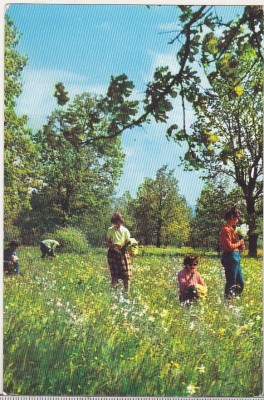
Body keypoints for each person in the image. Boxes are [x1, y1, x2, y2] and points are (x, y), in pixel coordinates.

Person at [220, 205, 245, 299]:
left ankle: (233, 300)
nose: (237, 220)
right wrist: (239, 243)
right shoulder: (225, 230)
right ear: (232, 217)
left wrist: (241, 243)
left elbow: (236, 245)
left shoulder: (232, 229)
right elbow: (229, 247)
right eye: (237, 217)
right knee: (231, 282)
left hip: (235, 257)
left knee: (240, 283)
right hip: (229, 257)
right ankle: (228, 302)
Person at [106, 212, 132, 293]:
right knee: (114, 276)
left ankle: (127, 293)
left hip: (123, 253)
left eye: (118, 222)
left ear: (121, 221)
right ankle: (113, 294)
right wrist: (113, 245)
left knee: (126, 275)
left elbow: (129, 243)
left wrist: (124, 245)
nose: (116, 225)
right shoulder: (110, 230)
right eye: (115, 223)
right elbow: (107, 244)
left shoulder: (125, 231)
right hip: (112, 254)